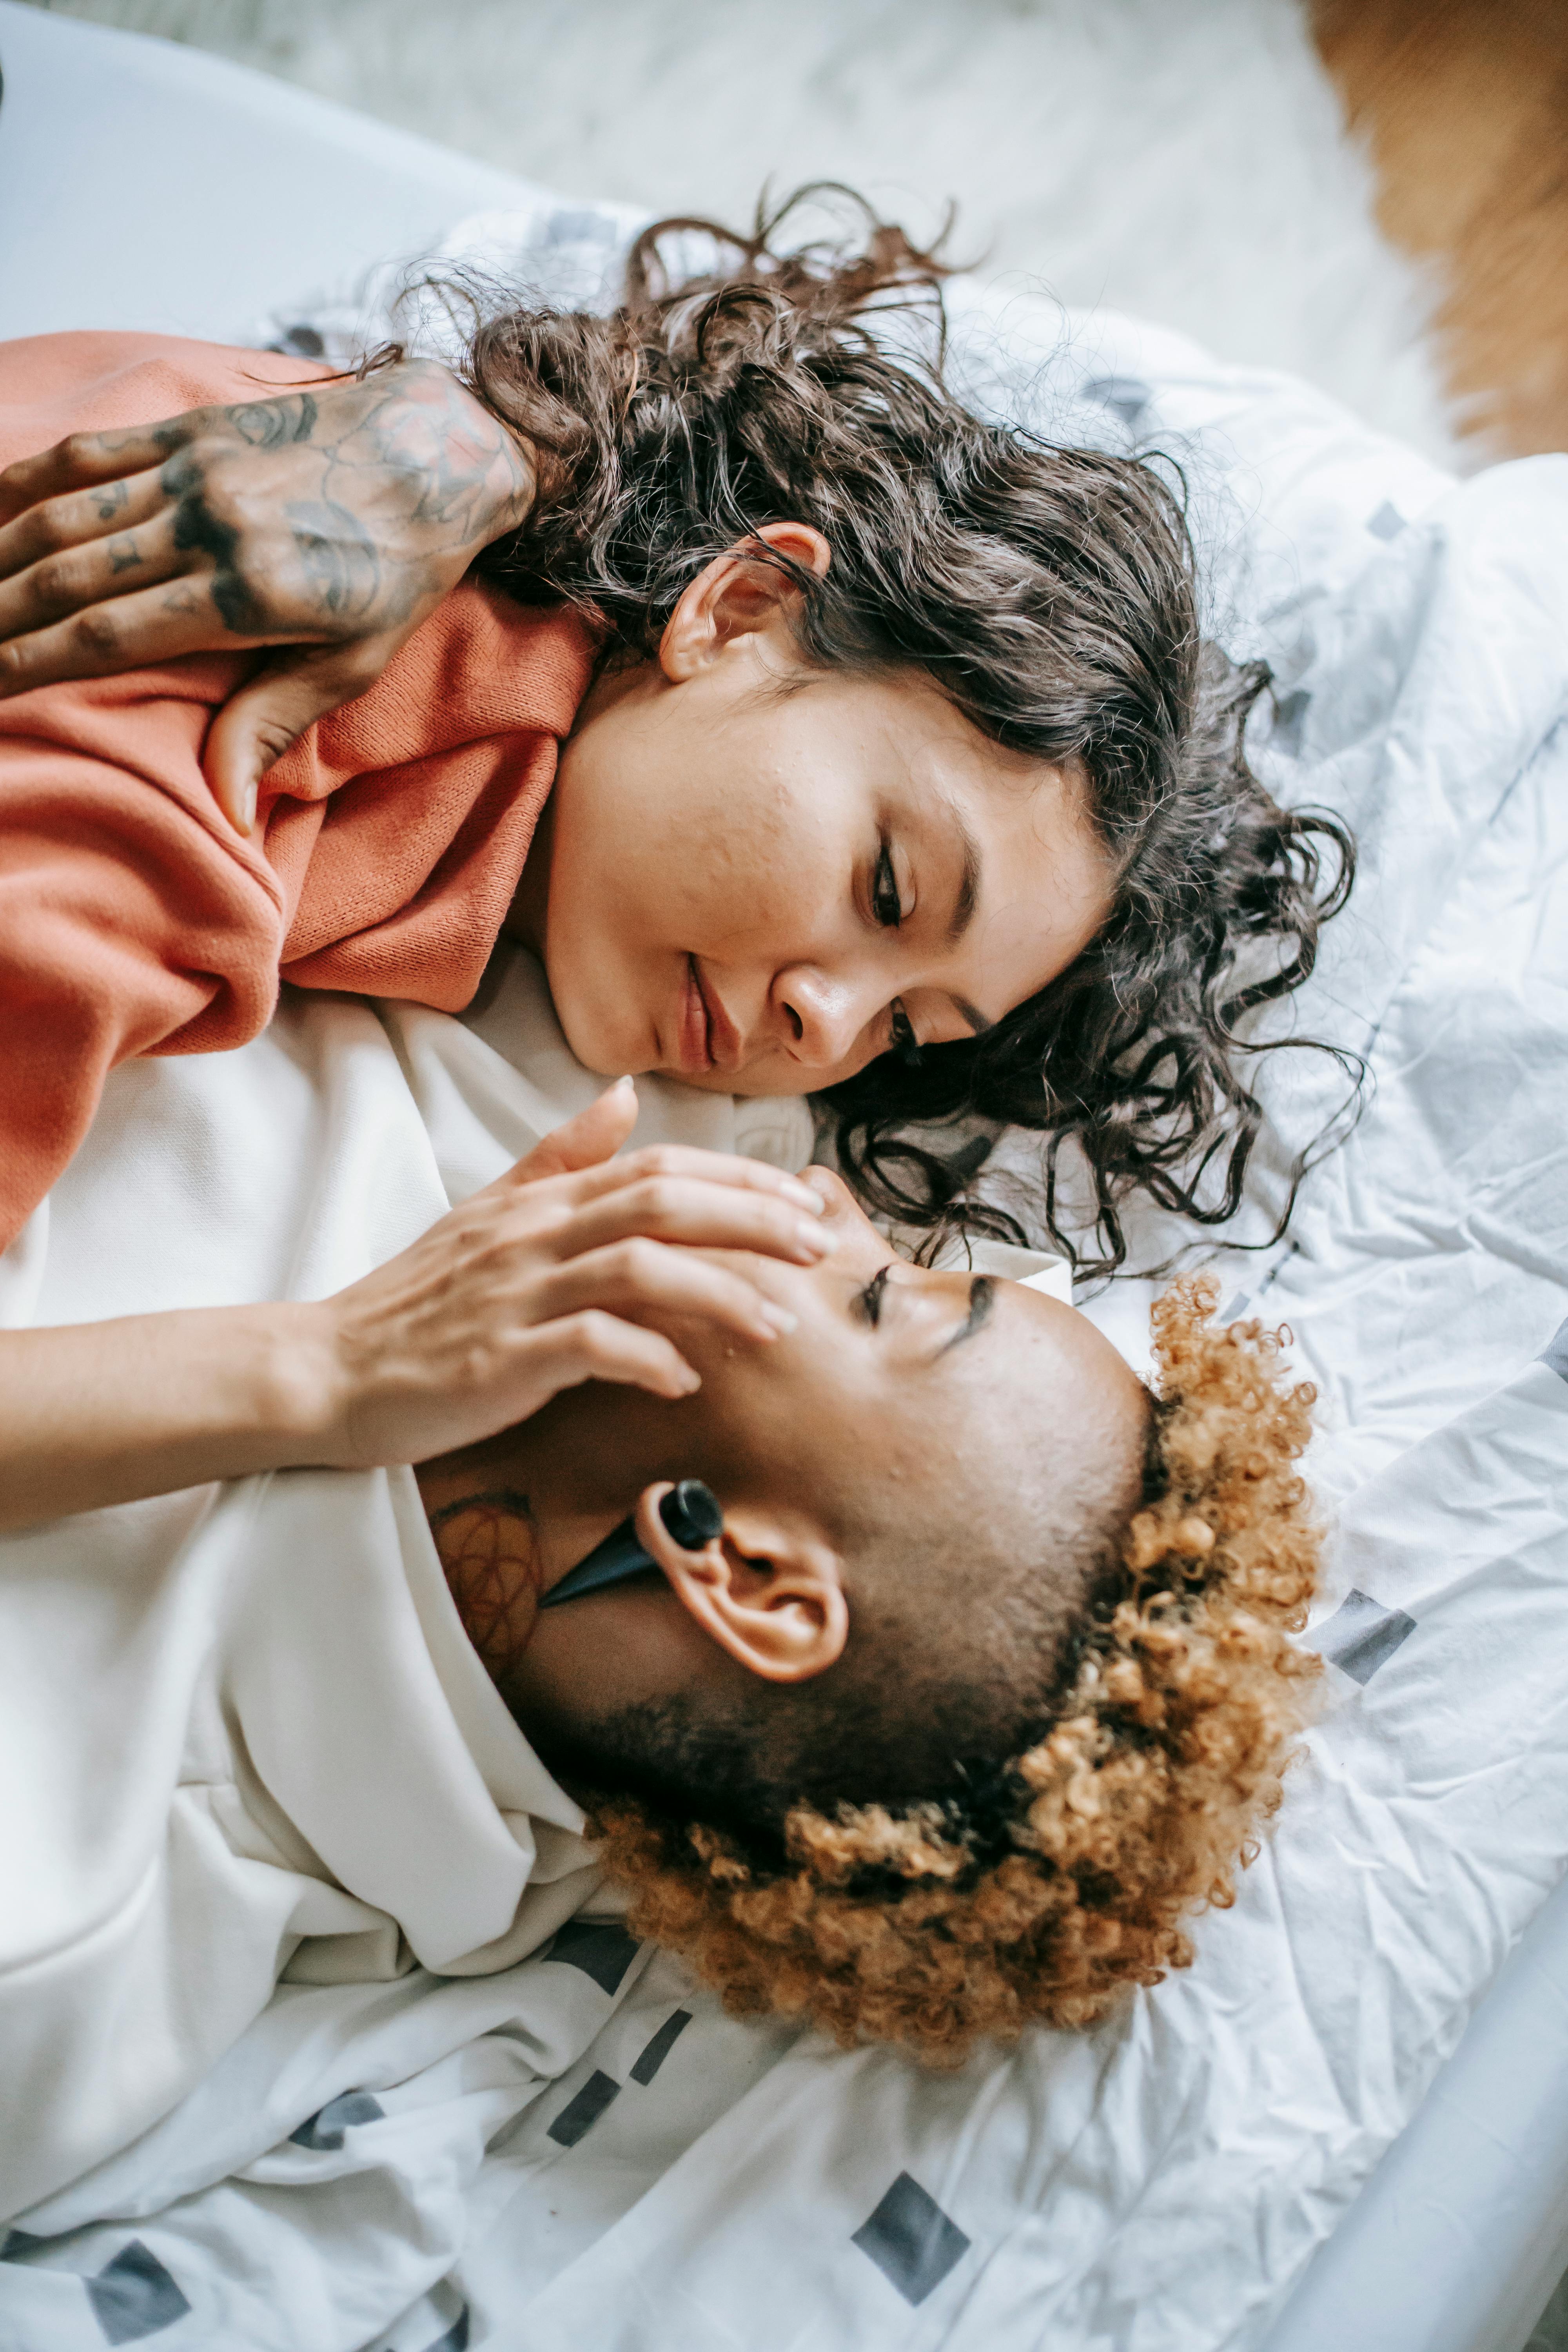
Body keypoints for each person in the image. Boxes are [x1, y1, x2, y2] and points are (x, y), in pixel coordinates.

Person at [0, 198, 1352, 1525]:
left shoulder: (442, 526)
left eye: (906, 1025)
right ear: (743, 605)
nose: (825, 1022)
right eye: (887, 889)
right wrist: (333, 1370)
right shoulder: (220, 740)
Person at [0, 1076, 1321, 2219]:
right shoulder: (626, 1103)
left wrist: (322, 1372)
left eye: (877, 1295)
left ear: (743, 1572)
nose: (825, 1192)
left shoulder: (74, 1917)